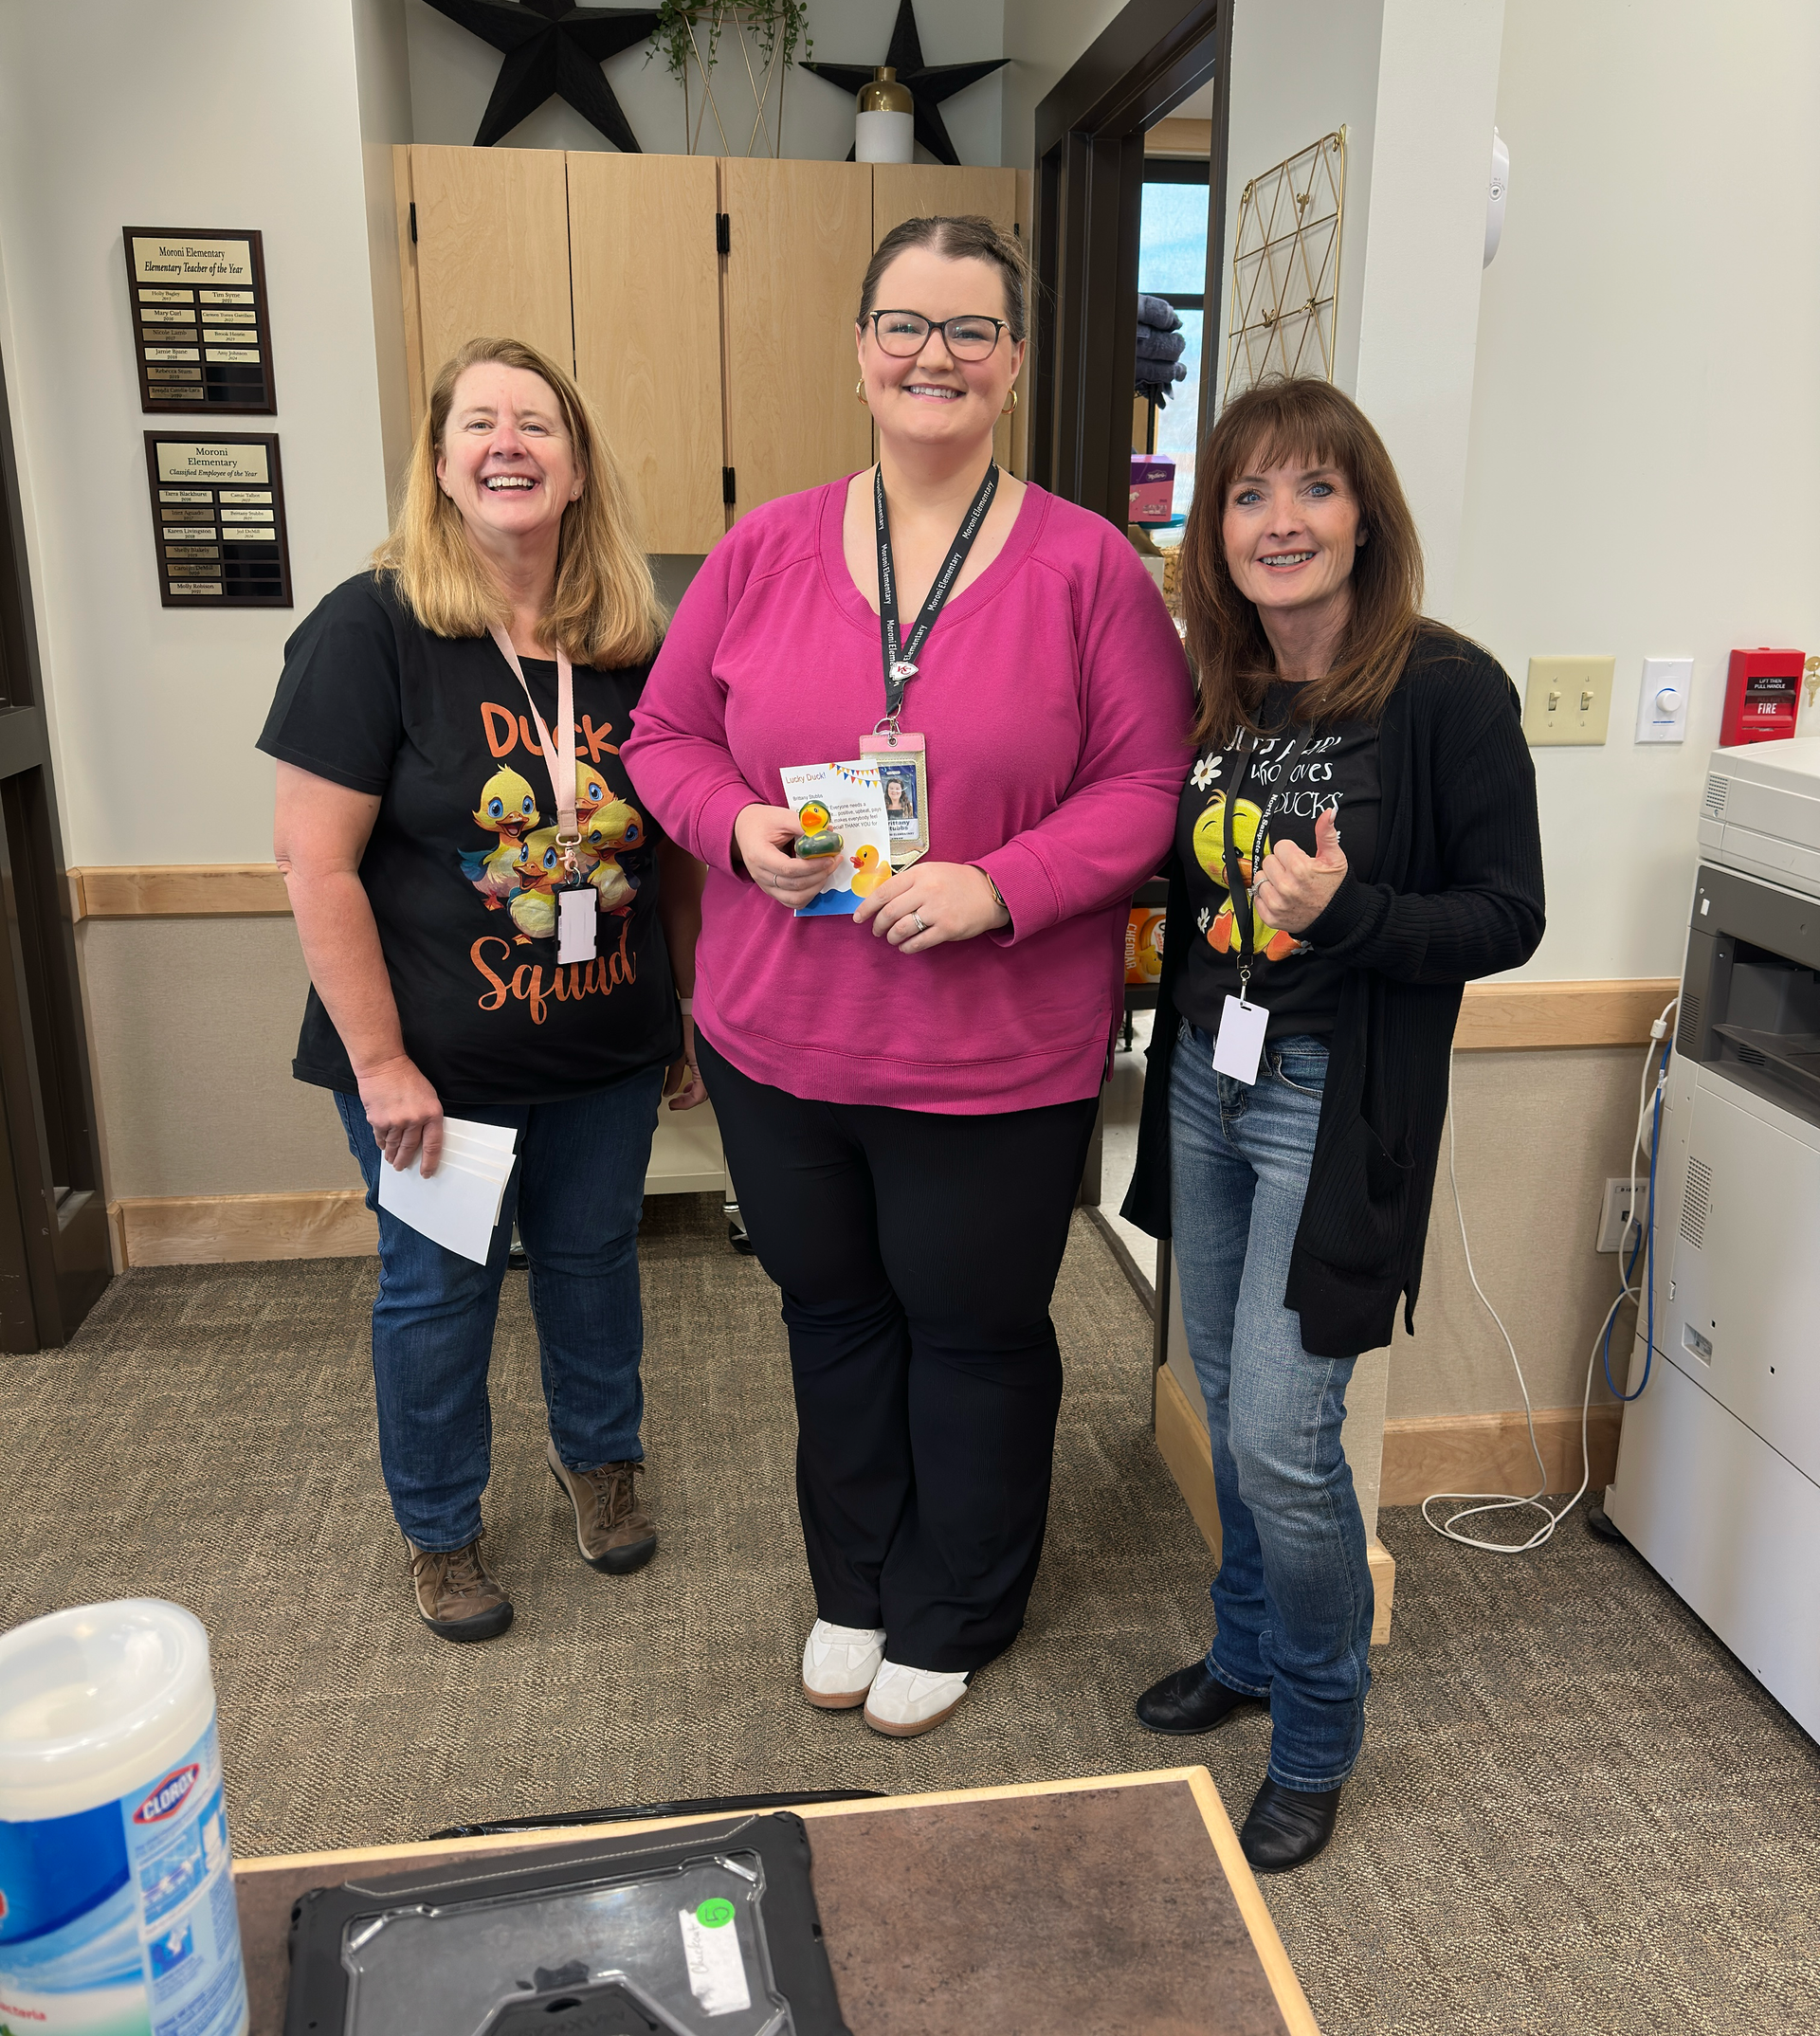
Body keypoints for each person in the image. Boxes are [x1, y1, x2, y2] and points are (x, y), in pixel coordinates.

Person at [624, 215, 1193, 1737]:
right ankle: (860, 1579)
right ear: (862, 350)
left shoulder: (1091, 571)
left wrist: (998, 884)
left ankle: (959, 1598)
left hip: (992, 1051)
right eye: (903, 326)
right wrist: (738, 830)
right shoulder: (762, 551)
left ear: (1012, 363)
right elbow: (661, 742)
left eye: (967, 331)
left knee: (972, 1327)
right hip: (780, 1038)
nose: (931, 356)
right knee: (833, 1317)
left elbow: (1149, 787)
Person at [1122, 376, 1544, 1870]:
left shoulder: (1445, 689)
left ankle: (1316, 1730)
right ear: (1215, 529)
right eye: (1247, 495)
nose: (1279, 521)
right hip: (1207, 1076)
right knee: (1225, 1389)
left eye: (1312, 488)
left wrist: (1351, 911)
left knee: (1285, 1437)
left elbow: (1510, 917)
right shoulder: (1223, 692)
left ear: (1366, 513)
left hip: (1328, 1107)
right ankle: (1243, 1654)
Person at [261, 335, 705, 1643]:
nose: (509, 444)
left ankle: (599, 1460)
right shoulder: (373, 626)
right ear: (443, 466)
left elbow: (671, 846)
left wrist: (674, 1010)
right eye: (480, 425)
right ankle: (442, 1528)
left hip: (604, 1048)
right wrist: (384, 1067)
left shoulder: (631, 641)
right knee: (440, 1294)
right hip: (436, 1070)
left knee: (593, 1267)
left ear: (577, 471)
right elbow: (313, 862)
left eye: (539, 426)